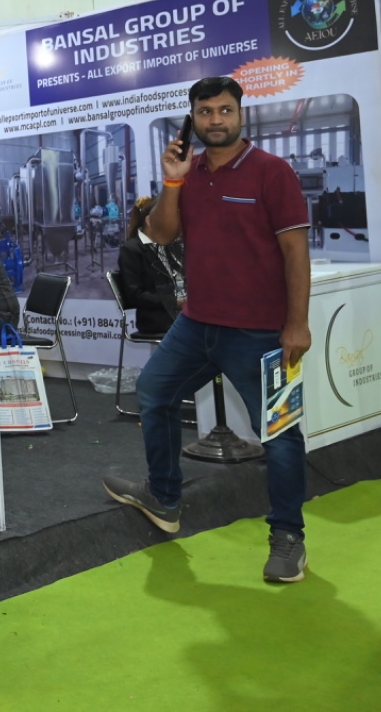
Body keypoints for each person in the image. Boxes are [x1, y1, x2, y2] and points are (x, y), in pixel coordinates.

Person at [103, 76, 312, 583]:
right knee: (153, 391)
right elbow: (161, 234)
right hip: (197, 323)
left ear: (240, 114)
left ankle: (288, 537)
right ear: (192, 118)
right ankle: (163, 497)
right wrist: (172, 182)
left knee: (279, 433)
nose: (215, 120)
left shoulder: (272, 172)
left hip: (260, 330)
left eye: (224, 110)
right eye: (205, 112)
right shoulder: (189, 173)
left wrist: (297, 324)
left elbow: (295, 252)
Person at [116, 196, 186, 336]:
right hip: (157, 319)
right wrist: (175, 301)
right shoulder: (132, 250)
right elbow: (136, 295)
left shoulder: (172, 246)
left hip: (182, 314)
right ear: (149, 221)